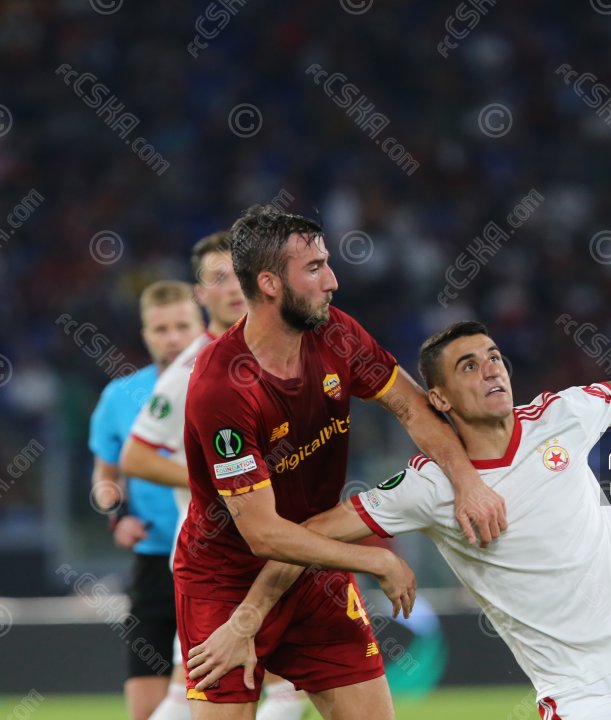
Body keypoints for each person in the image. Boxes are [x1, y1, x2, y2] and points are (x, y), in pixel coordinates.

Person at [186, 321, 611, 719]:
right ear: (439, 399)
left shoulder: (562, 416)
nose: (492, 370)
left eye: (494, 358)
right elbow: (307, 536)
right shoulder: (426, 487)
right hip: (585, 696)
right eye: (469, 366)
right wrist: (247, 619)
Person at [174, 206, 507, 718]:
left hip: (314, 568)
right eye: (314, 268)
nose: (332, 281)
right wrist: (377, 559)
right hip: (226, 583)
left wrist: (468, 482)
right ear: (269, 284)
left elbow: (413, 407)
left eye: (326, 263)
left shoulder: (337, 334)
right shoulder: (223, 387)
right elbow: (263, 534)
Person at [120, 232, 308, 720]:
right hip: (217, 555)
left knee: (259, 685)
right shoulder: (192, 367)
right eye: (218, 278)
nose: (232, 287)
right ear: (200, 294)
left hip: (278, 543)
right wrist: (213, 482)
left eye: (237, 274)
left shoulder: (281, 351)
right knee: (239, 686)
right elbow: (135, 456)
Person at [88, 280, 205, 720]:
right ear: (145, 335)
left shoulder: (225, 386)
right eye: (161, 329)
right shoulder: (119, 398)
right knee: (147, 710)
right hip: (156, 561)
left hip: (217, 557)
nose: (172, 338)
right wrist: (116, 514)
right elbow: (106, 478)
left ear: (201, 327)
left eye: (182, 326)